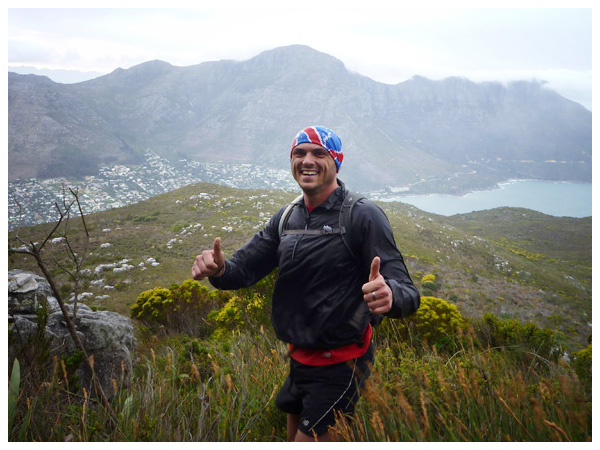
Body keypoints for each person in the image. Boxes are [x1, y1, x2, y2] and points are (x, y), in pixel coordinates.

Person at [192, 126, 420, 441]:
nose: (307, 160)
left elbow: (408, 292)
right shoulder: (287, 218)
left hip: (342, 364)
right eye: (299, 153)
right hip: (299, 359)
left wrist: (390, 295)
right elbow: (243, 270)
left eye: (318, 153)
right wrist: (219, 270)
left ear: (336, 162)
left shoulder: (362, 215)